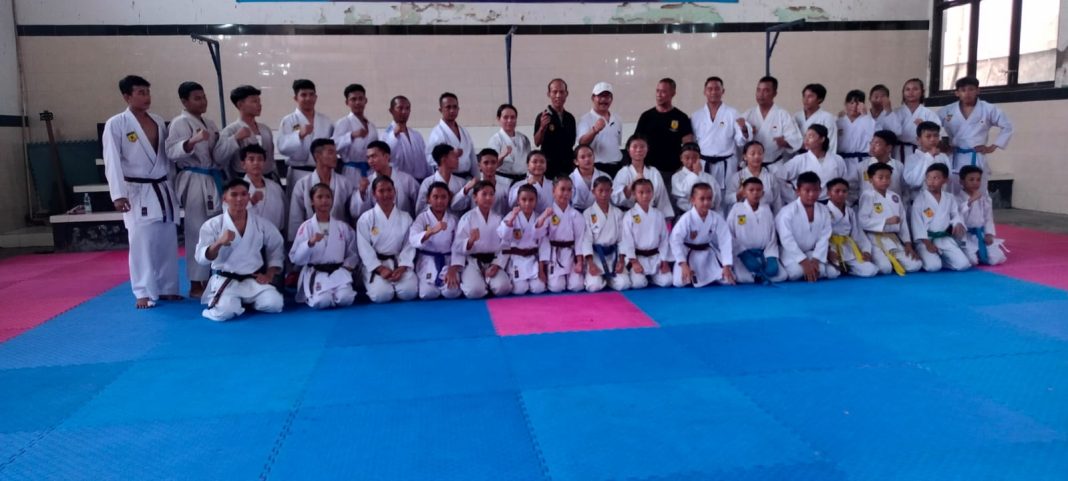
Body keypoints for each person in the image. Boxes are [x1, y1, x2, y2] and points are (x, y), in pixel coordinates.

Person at [102, 75, 181, 308]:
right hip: (137, 189)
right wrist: (118, 194)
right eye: (140, 93)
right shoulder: (116, 124)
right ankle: (143, 291)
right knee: (141, 242)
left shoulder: (158, 121)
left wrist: (174, 185)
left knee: (167, 240)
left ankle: (168, 288)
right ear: (127, 96)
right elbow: (111, 160)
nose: (147, 97)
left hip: (162, 187)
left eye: (147, 92)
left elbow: (166, 159)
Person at [195, 179, 284, 321]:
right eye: (234, 194)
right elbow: (201, 257)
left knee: (275, 304)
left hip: (252, 279)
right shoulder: (213, 225)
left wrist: (269, 274)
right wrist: (219, 243)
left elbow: (276, 246)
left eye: (243, 194)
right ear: (225, 198)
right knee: (225, 313)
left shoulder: (260, 223)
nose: (239, 199)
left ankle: (244, 302)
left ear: (248, 197)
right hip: (226, 280)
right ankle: (226, 303)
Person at [166, 81, 222, 298]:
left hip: (212, 177)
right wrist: (192, 141)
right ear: (184, 101)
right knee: (196, 230)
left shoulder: (209, 122)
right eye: (197, 98)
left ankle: (212, 278)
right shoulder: (179, 123)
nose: (203, 101)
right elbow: (171, 152)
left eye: (204, 97)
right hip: (194, 179)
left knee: (214, 229)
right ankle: (195, 283)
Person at [938, 76, 1014, 194]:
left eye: (971, 89)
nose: (967, 93)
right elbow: (930, 127)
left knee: (979, 193)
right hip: (955, 157)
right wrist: (941, 145)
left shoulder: (988, 109)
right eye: (963, 90)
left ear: (978, 90)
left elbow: (1007, 126)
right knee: (953, 193)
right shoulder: (947, 110)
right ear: (957, 93)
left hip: (976, 155)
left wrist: (992, 147)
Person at [289, 183, 358, 309]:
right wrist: (309, 243)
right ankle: (319, 294)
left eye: (328, 197)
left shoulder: (342, 227)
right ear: (312, 201)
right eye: (319, 197)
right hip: (317, 273)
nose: (324, 200)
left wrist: (347, 267)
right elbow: (296, 258)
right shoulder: (306, 227)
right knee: (323, 302)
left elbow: (353, 251)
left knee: (346, 298)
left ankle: (335, 292)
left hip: (338, 272)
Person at [357, 176, 418, 303]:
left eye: (389, 190)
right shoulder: (366, 218)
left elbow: (409, 244)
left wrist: (402, 267)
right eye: (381, 191)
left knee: (409, 292)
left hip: (398, 262)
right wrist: (380, 269)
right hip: (377, 264)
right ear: (374, 194)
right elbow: (364, 248)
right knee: (382, 295)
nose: (386, 194)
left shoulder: (405, 217)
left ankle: (398, 279)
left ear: (395, 192)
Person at [690, 76, 749, 203]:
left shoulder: (732, 113)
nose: (713, 92)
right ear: (704, 91)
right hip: (704, 163)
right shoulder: (696, 116)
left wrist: (744, 130)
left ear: (723, 91)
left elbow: (740, 140)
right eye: (710, 89)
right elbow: (692, 143)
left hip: (726, 163)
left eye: (717, 89)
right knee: (705, 195)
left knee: (727, 196)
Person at [857, 162, 923, 275]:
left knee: (916, 265)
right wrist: (886, 221)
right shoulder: (867, 195)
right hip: (874, 239)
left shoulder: (894, 197)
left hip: (892, 239)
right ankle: (884, 260)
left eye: (888, 177)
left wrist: (908, 244)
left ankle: (890, 259)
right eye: (880, 177)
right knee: (885, 268)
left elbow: (903, 223)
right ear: (871, 179)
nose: (885, 180)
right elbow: (862, 221)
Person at [743, 76, 803, 200]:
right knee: (751, 198)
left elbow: (796, 139)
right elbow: (738, 139)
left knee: (780, 198)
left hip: (774, 166)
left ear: (775, 93)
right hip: (752, 168)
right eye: (758, 90)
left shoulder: (782, 114)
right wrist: (745, 132)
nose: (761, 94)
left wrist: (785, 142)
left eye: (766, 90)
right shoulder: (748, 114)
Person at [287, 139, 356, 242]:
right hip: (311, 237)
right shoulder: (303, 184)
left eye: (335, 153)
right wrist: (296, 242)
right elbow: (295, 217)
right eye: (331, 152)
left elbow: (353, 212)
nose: (335, 157)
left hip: (339, 237)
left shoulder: (345, 183)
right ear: (317, 156)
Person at [277, 79, 334, 201]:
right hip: (298, 173)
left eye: (311, 94)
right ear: (295, 98)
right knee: (297, 207)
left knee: (322, 206)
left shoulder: (325, 121)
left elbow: (332, 147)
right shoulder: (289, 121)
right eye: (303, 95)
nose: (308, 98)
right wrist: (299, 135)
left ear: (316, 97)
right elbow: (282, 148)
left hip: (322, 173)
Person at [453, 181, 512, 298]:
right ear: (475, 197)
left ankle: (488, 282)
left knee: (503, 288)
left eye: (491, 194)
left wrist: (497, 265)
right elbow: (457, 245)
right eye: (484, 194)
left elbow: (505, 244)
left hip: (493, 261)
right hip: (473, 262)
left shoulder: (498, 218)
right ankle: (482, 284)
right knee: (474, 291)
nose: (488, 197)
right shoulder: (467, 218)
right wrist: (470, 242)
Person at [775, 172, 838, 282]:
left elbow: (824, 237)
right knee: (797, 273)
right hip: (790, 252)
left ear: (820, 190)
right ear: (798, 191)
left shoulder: (824, 210)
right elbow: (786, 240)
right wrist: (804, 262)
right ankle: (783, 264)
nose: (811, 194)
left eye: (815, 190)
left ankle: (818, 265)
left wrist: (816, 259)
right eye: (807, 191)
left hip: (811, 252)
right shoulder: (787, 212)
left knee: (825, 271)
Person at [670, 182, 735, 287]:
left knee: (728, 280)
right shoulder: (686, 219)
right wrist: (683, 264)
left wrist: (726, 265)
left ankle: (711, 274)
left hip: (707, 255)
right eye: (702, 199)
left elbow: (725, 241)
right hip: (688, 253)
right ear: (693, 200)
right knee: (679, 282)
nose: (706, 202)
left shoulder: (716, 218)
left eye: (709, 199)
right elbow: (675, 241)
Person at [911, 163, 970, 272]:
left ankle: (942, 259)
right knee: (933, 267)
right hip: (926, 239)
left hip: (944, 238)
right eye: (928, 178)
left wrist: (957, 223)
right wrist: (927, 243)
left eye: (936, 178)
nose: (931, 181)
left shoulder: (949, 197)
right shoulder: (920, 199)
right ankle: (927, 256)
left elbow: (955, 214)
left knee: (963, 264)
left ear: (945, 180)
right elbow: (916, 224)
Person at [726, 177, 787, 284]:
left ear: (763, 193)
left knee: (781, 276)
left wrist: (771, 255)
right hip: (743, 253)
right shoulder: (737, 209)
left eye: (758, 190)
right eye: (751, 190)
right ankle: (757, 274)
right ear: (744, 193)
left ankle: (760, 274)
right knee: (743, 278)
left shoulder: (766, 209)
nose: (755, 193)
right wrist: (742, 253)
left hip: (763, 253)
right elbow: (729, 233)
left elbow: (772, 235)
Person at [409, 182, 462, 300]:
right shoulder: (422, 218)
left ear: (449, 199)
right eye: (435, 197)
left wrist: (453, 269)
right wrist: (431, 231)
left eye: (443, 197)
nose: (439, 201)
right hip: (427, 261)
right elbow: (413, 238)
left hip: (448, 261)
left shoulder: (453, 220)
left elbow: (458, 246)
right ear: (428, 199)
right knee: (428, 293)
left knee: (452, 292)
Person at [635, 78, 695, 180]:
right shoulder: (646, 116)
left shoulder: (681, 117)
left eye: (663, 92)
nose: (659, 95)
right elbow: (636, 142)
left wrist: (684, 168)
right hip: (649, 171)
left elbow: (688, 145)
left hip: (673, 171)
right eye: (657, 91)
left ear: (673, 93)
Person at [498, 184, 552, 295]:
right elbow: (503, 236)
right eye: (524, 200)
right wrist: (512, 219)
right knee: (520, 289)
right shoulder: (511, 216)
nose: (527, 203)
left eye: (531, 200)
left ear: (536, 201)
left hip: (533, 259)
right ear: (518, 201)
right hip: (516, 259)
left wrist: (541, 269)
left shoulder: (539, 218)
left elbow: (543, 245)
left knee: (539, 288)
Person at [620, 178, 673, 289]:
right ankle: (642, 276)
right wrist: (634, 261)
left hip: (655, 257)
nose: (645, 195)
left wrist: (664, 260)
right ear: (634, 194)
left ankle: (652, 278)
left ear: (652, 193)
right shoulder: (629, 215)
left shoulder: (658, 214)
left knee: (668, 281)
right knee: (638, 284)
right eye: (641, 192)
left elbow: (664, 239)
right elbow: (627, 241)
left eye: (648, 191)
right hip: (638, 257)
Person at [215, 85, 277, 179]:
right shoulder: (231, 130)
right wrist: (235, 138)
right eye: (254, 101)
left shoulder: (265, 129)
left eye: (259, 101)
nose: (259, 105)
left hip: (268, 178)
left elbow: (271, 160)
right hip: (242, 179)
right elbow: (218, 157)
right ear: (240, 105)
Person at [777, 124, 847, 202]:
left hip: (830, 203)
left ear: (822, 139)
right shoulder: (800, 160)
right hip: (807, 203)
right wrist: (793, 195)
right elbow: (779, 176)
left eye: (810, 136)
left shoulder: (837, 159)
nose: (806, 140)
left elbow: (843, 183)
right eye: (805, 136)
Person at [582, 176, 629, 292]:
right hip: (596, 256)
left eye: (607, 191)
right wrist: (590, 264)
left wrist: (621, 261)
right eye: (600, 190)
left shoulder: (618, 213)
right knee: (594, 287)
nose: (604, 194)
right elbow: (586, 240)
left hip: (613, 256)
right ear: (593, 192)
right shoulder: (588, 213)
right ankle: (600, 278)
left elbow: (622, 239)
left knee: (624, 284)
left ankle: (608, 279)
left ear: (611, 191)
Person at [612, 134, 674, 220]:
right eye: (635, 147)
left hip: (652, 215)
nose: (639, 150)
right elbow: (615, 198)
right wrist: (633, 183)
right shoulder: (623, 172)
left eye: (642, 147)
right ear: (628, 149)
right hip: (629, 216)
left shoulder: (654, 172)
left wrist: (665, 219)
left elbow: (662, 199)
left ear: (647, 149)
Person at [825, 178, 878, 277]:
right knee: (832, 273)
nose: (841, 194)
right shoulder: (824, 211)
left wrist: (865, 250)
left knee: (871, 270)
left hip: (847, 247)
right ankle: (839, 267)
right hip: (831, 248)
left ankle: (848, 269)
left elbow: (857, 233)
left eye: (844, 191)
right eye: (837, 191)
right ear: (829, 193)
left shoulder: (850, 212)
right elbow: (820, 235)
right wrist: (827, 252)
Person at [541, 177, 586, 293]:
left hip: (571, 255)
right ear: (553, 191)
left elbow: (579, 240)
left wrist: (579, 262)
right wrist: (543, 265)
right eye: (562, 189)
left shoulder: (576, 215)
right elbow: (540, 237)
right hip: (554, 255)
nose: (566, 193)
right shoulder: (547, 214)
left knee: (577, 286)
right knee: (556, 287)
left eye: (569, 190)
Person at [957, 165, 1007, 266]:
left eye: (978, 180)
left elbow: (988, 218)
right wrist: (971, 200)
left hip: (980, 234)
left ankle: (980, 252)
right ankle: (971, 252)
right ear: (962, 181)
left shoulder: (984, 199)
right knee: (972, 260)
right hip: (965, 236)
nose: (975, 183)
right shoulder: (956, 198)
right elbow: (958, 215)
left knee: (997, 258)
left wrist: (989, 234)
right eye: (971, 179)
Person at [333, 83, 378, 184]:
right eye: (353, 99)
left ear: (365, 100)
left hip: (370, 170)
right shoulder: (343, 122)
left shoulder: (371, 126)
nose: (358, 102)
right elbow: (333, 146)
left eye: (360, 99)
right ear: (347, 102)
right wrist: (351, 135)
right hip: (350, 171)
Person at [533, 78, 578, 179]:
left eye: (561, 92)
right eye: (554, 92)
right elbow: (537, 142)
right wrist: (542, 127)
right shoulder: (543, 116)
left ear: (566, 94)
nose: (558, 95)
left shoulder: (570, 118)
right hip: (549, 167)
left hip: (567, 166)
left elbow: (572, 142)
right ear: (549, 94)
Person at [577, 82, 624, 176]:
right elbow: (582, 143)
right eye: (600, 96)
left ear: (611, 99)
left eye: (607, 96)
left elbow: (618, 143)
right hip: (598, 167)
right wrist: (594, 130)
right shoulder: (585, 119)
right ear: (593, 98)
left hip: (618, 166)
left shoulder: (617, 119)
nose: (603, 99)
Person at [383, 95, 434, 181]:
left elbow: (425, 159)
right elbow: (387, 158)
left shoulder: (416, 135)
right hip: (399, 182)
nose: (404, 111)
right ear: (391, 111)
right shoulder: (386, 135)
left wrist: (430, 178)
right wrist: (394, 136)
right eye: (400, 108)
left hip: (421, 180)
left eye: (407, 108)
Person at [425, 92, 477, 178]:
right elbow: (430, 158)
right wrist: (449, 156)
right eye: (448, 107)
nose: (452, 110)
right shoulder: (437, 133)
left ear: (458, 109)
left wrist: (476, 177)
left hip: (467, 177)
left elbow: (472, 158)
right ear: (441, 110)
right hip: (448, 177)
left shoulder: (464, 131)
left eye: (455, 107)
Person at [837, 89, 876, 201]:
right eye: (851, 103)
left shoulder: (868, 120)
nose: (854, 106)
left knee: (866, 189)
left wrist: (866, 116)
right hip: (843, 161)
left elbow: (874, 136)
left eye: (858, 103)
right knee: (845, 191)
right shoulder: (838, 122)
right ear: (846, 104)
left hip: (863, 160)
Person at [362, 140, 419, 216]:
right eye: (368, 158)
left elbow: (420, 205)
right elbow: (360, 212)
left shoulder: (407, 180)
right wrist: (361, 193)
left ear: (386, 157)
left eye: (374, 156)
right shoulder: (368, 182)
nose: (370, 161)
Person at [417, 144, 473, 216]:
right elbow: (420, 210)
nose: (458, 159)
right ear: (444, 159)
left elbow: (468, 209)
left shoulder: (462, 183)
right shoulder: (427, 183)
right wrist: (440, 202)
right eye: (454, 156)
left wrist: (457, 199)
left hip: (457, 221)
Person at [893, 78, 941, 162]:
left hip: (921, 151)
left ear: (922, 92)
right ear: (903, 92)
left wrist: (924, 127)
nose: (911, 92)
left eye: (915, 89)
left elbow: (935, 135)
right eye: (907, 89)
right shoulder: (896, 113)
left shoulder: (928, 113)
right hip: (898, 151)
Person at [241, 145, 285, 233]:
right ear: (243, 164)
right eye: (251, 159)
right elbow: (230, 215)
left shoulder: (276, 188)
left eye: (260, 159)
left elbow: (284, 215)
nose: (256, 163)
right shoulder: (236, 189)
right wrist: (251, 202)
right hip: (248, 237)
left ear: (264, 163)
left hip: (274, 236)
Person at [903, 121, 951, 201]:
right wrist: (929, 156)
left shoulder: (943, 157)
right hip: (919, 201)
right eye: (928, 136)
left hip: (942, 200)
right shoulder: (911, 158)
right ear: (918, 139)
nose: (932, 139)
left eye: (936, 136)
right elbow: (913, 182)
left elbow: (948, 180)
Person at [727, 140, 779, 211]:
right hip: (743, 214)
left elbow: (777, 202)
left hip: (765, 214)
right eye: (752, 154)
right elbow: (727, 199)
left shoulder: (770, 178)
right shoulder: (737, 177)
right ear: (745, 156)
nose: (757, 156)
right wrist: (739, 195)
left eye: (760, 153)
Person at [671, 142, 721, 215]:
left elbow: (717, 200)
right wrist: (694, 174)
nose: (691, 161)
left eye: (694, 158)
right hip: (685, 214)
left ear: (699, 158)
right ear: (681, 158)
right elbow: (684, 193)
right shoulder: (676, 177)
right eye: (687, 158)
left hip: (707, 214)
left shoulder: (709, 178)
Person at [487, 103, 531, 181]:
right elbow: (491, 166)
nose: (509, 120)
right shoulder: (495, 140)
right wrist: (502, 156)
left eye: (513, 117)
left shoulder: (523, 138)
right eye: (505, 117)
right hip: (503, 180)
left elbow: (529, 162)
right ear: (498, 119)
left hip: (523, 180)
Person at [794, 83, 838, 156]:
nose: (805, 100)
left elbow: (831, 143)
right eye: (804, 96)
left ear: (820, 99)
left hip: (818, 157)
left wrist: (826, 159)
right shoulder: (796, 116)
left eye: (810, 96)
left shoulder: (827, 118)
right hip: (798, 157)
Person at [861, 130, 905, 200]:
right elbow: (854, 189)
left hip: (893, 205)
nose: (872, 147)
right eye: (871, 143)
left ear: (888, 148)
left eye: (877, 144)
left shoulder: (899, 166)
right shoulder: (862, 166)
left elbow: (905, 191)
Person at [473, 148, 513, 216]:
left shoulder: (505, 188)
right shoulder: (473, 186)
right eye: (486, 163)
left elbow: (509, 210)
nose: (490, 166)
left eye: (493, 162)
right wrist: (466, 189)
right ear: (479, 166)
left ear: (497, 164)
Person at [569, 144, 608, 212]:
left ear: (594, 157)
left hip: (599, 211)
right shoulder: (571, 178)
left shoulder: (604, 176)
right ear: (576, 162)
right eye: (583, 157)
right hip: (576, 212)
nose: (587, 159)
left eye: (590, 155)